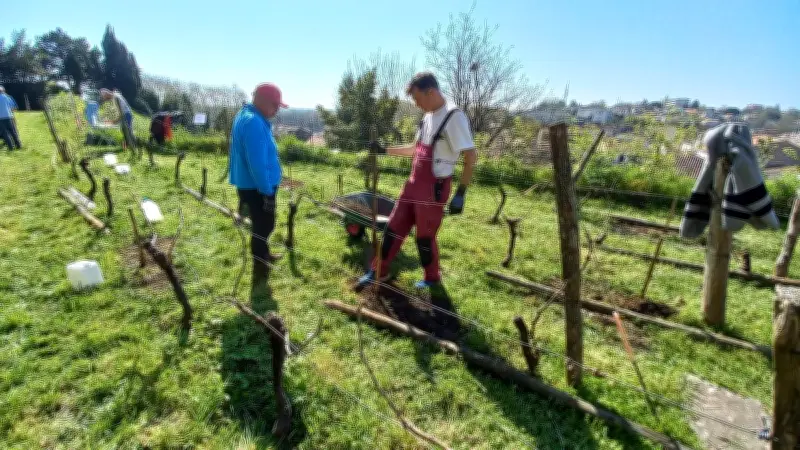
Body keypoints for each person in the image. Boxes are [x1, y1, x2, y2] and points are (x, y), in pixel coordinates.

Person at [357, 72, 477, 290]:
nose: (417, 104)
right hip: (412, 185)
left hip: (434, 189)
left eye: (417, 98)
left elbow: (471, 156)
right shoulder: (427, 117)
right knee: (393, 228)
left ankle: (432, 278)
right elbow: (415, 150)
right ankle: (378, 271)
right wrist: (384, 150)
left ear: (430, 91)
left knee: (424, 237)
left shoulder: (453, 116)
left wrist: (461, 193)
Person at [229, 83, 287, 281]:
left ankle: (263, 254)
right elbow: (257, 162)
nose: (276, 110)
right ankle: (260, 265)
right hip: (257, 187)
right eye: (274, 105)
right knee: (264, 226)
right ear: (261, 101)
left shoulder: (245, 115)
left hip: (250, 184)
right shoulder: (253, 122)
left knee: (260, 225)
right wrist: (267, 191)